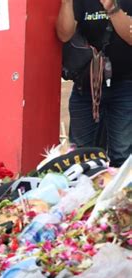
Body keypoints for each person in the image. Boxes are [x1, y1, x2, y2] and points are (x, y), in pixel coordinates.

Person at [56, 0, 132, 167]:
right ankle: (85, 191)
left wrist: (112, 8)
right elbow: (64, 34)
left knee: (122, 154)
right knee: (79, 155)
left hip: (125, 84)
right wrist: (67, 3)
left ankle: (121, 192)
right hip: (87, 86)